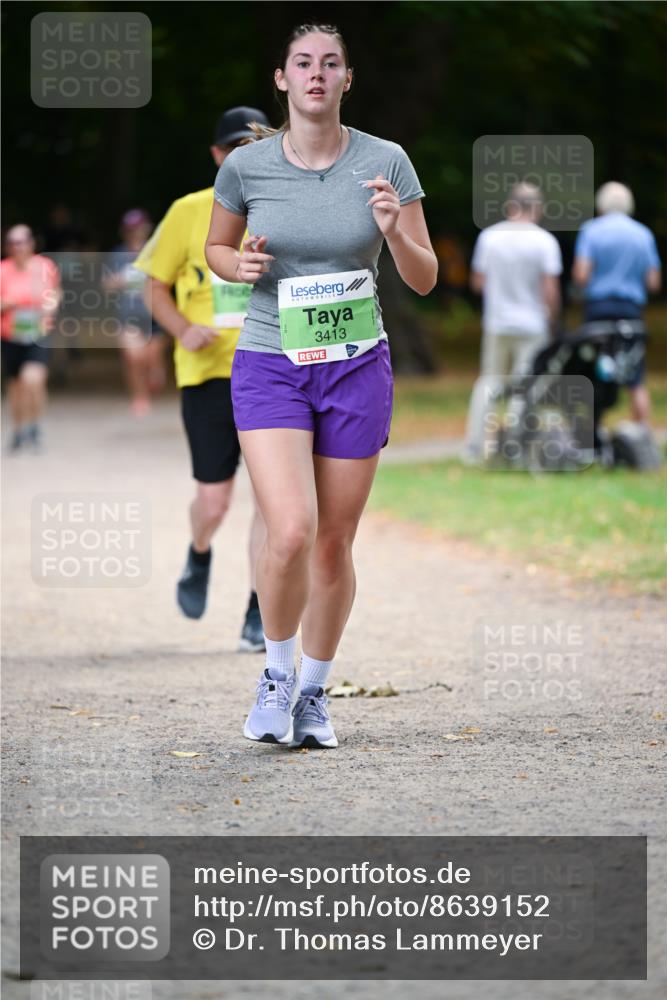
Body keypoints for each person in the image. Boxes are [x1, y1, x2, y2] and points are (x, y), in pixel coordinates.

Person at [205, 23, 437, 748]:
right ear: (281, 79)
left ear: (346, 78)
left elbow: (425, 277)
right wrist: (233, 266)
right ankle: (274, 677)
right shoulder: (247, 167)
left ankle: (312, 692)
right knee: (290, 531)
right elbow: (217, 247)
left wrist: (394, 230)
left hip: (354, 364)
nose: (315, 74)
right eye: (302, 63)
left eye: (328, 64)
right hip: (272, 360)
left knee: (333, 543)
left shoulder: (385, 161)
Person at [135, 107, 272, 653]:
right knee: (214, 502)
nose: (242, 154)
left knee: (273, 501)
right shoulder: (190, 211)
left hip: (274, 371)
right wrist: (181, 329)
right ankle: (199, 551)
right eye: (233, 146)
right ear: (217, 155)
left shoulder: (284, 206)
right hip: (209, 375)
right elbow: (153, 286)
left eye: (255, 144)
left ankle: (260, 610)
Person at [462, 182, 562, 464]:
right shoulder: (544, 241)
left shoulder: (489, 237)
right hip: (532, 324)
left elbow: (478, 283)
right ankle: (514, 446)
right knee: (524, 386)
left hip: (497, 322)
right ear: (537, 209)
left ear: (510, 206)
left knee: (488, 382)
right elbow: (550, 289)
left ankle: (474, 447)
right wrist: (553, 320)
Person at [572, 181, 662, 425]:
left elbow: (581, 275)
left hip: (598, 310)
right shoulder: (643, 234)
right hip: (630, 312)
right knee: (635, 377)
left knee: (592, 371)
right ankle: (642, 435)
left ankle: (592, 433)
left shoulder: (591, 231)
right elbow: (653, 281)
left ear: (600, 205)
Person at [1, 224, 61, 452]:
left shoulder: (45, 266)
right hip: (10, 334)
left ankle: (35, 425)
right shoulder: (3, 270)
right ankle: (18, 429)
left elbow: (55, 294)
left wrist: (50, 305)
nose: (19, 246)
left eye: (23, 241)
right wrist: (7, 304)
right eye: (13, 242)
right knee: (15, 387)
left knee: (32, 379)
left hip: (39, 333)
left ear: (31, 243)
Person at [104, 209, 167, 417]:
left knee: (151, 360)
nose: (135, 232)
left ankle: (156, 373)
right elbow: (106, 284)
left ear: (146, 228)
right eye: (131, 229)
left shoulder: (157, 251)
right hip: (128, 315)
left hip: (154, 314)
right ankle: (140, 397)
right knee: (134, 357)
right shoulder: (117, 255)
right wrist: (119, 281)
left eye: (138, 228)